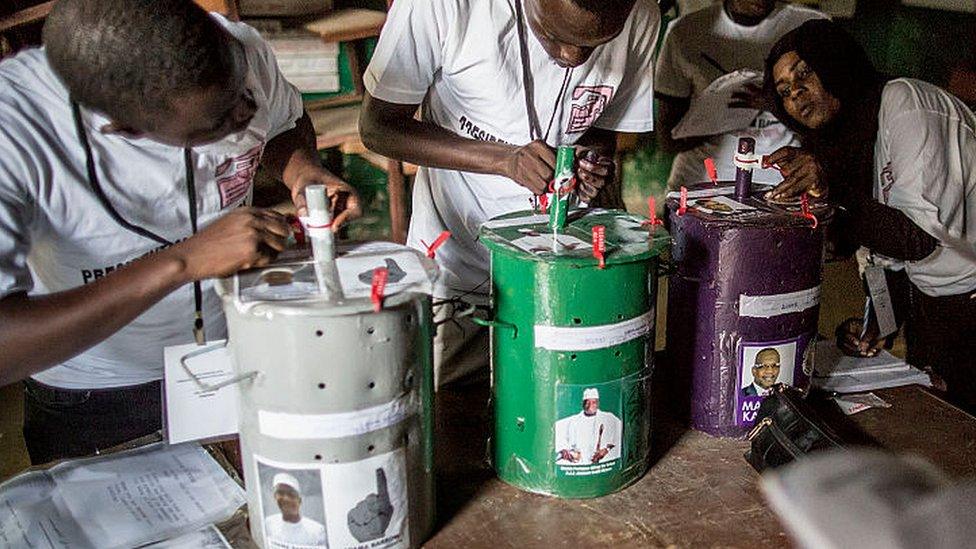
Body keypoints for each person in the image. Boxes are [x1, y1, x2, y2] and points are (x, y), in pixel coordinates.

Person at [0, 0, 359, 464]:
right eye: (218, 122)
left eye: (245, 94)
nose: (247, 115)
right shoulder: (14, 134)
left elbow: (282, 123)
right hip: (102, 391)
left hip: (239, 347)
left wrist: (302, 171)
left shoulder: (233, 50)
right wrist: (184, 261)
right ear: (125, 128)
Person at [359, 0, 659, 386]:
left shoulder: (641, 13)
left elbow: (603, 128)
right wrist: (504, 160)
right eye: (554, 36)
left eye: (595, 44)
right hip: (460, 279)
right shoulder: (443, 6)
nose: (572, 57)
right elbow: (378, 127)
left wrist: (590, 162)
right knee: (455, 418)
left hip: (565, 282)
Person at [761, 19, 976, 411]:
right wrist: (877, 323)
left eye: (804, 73)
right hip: (934, 309)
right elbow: (882, 255)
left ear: (836, 64)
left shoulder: (907, 104)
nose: (795, 93)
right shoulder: (846, 145)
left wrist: (832, 189)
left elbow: (916, 238)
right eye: (783, 91)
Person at [654, 0, 824, 188]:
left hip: (780, 182)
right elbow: (667, 138)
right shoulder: (686, 31)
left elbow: (837, 123)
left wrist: (775, 103)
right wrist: (714, 120)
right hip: (701, 183)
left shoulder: (811, 26)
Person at [555, 387, 622, 465]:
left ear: (598, 403)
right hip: (578, 462)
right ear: (583, 404)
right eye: (587, 402)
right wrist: (565, 451)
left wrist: (606, 450)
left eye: (593, 402)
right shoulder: (573, 421)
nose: (590, 406)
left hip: (603, 461)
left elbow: (621, 435)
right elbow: (556, 434)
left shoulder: (608, 418)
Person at [264, 473, 328, 548]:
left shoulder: (317, 531)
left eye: (291, 494)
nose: (286, 499)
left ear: (299, 501)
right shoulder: (268, 524)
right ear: (275, 497)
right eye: (281, 493)